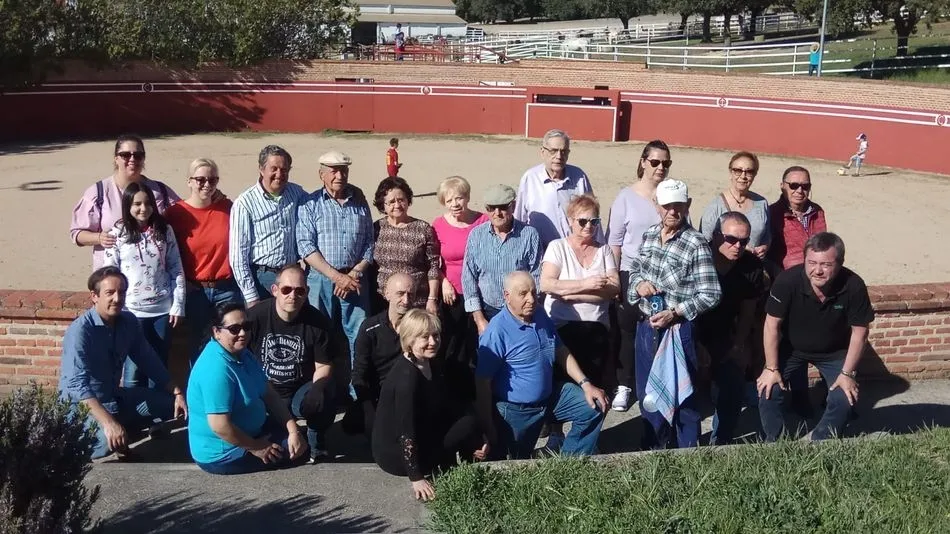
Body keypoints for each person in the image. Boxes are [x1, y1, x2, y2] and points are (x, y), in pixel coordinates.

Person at [627, 179, 721, 449]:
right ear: (656, 205)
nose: (672, 211)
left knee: (683, 398)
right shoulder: (649, 235)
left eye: (678, 205)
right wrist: (639, 285)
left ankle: (687, 454)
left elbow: (711, 293)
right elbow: (635, 272)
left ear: (687, 205)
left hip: (678, 330)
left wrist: (676, 312)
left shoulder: (696, 243)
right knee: (649, 396)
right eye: (667, 205)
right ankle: (653, 451)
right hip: (647, 327)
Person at [475, 272, 609, 460]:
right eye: (523, 294)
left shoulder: (539, 313)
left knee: (594, 406)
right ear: (507, 296)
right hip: (516, 411)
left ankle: (570, 464)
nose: (531, 299)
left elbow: (560, 350)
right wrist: (487, 426)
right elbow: (482, 382)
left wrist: (586, 384)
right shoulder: (497, 331)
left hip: (550, 398)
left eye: (533, 292)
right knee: (514, 462)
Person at [59, 267, 187, 460]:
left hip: (114, 398)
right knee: (106, 442)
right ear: (94, 296)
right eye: (110, 293)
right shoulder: (81, 331)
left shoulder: (129, 322)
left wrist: (176, 391)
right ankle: (72, 441)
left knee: (173, 405)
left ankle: (124, 430)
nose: (117, 298)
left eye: (122, 292)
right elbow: (76, 385)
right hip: (82, 408)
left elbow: (148, 360)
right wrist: (109, 423)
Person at [757, 232, 873, 441]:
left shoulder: (854, 285)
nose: (817, 270)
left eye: (826, 265)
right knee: (768, 390)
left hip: (834, 352)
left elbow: (860, 332)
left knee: (844, 397)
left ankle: (822, 441)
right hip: (791, 349)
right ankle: (775, 442)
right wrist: (771, 368)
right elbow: (771, 325)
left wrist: (847, 374)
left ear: (840, 263)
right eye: (811, 263)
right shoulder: (787, 281)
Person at [372, 309, 489, 502]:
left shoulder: (430, 363)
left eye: (435, 335)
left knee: (470, 421)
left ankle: (469, 456)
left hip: (422, 429)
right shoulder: (406, 379)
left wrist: (479, 436)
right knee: (467, 425)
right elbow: (405, 432)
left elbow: (448, 403)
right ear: (409, 340)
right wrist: (416, 477)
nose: (433, 342)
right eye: (425, 337)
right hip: (396, 454)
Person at [187, 302, 309, 475]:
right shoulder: (215, 369)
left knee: (300, 439)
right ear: (217, 332)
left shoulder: (243, 354)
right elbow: (220, 426)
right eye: (234, 329)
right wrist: (257, 447)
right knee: (296, 452)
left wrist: (292, 429)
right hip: (224, 452)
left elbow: (270, 395)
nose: (243, 333)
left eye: (246, 326)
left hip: (252, 431)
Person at [246, 265, 340, 463]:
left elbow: (323, 365)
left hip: (299, 391)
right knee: (280, 453)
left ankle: (317, 445)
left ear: (307, 292)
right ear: (274, 290)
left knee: (326, 392)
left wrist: (317, 389)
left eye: (299, 291)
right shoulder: (255, 318)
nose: (293, 296)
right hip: (264, 392)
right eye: (286, 290)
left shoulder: (318, 322)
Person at [297, 151, 374, 388]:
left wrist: (354, 273)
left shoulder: (359, 201)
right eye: (333, 171)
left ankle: (357, 390)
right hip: (321, 279)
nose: (339, 176)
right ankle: (321, 389)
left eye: (343, 171)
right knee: (319, 334)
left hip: (355, 278)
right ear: (321, 174)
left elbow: (369, 242)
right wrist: (336, 277)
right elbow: (305, 246)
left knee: (359, 335)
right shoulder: (310, 203)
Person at [695, 212, 769, 445]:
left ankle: (721, 441)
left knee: (733, 384)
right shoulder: (697, 257)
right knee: (689, 392)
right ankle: (685, 443)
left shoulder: (751, 266)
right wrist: (696, 344)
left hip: (725, 334)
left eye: (744, 241)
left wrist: (738, 346)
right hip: (691, 331)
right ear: (716, 236)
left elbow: (748, 311)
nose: (738, 246)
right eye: (731, 239)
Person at [102, 182, 185, 389]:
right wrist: (115, 307)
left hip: (162, 311)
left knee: (159, 368)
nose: (143, 208)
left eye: (147, 203)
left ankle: (157, 408)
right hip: (131, 312)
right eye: (137, 204)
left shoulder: (164, 230)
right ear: (128, 205)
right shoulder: (116, 234)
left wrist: (178, 305)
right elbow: (110, 273)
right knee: (133, 370)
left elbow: (176, 268)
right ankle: (133, 409)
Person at [606, 139, 668, 412]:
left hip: (663, 275)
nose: (660, 167)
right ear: (643, 162)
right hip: (631, 271)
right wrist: (615, 278)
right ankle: (624, 384)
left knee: (658, 327)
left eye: (665, 163)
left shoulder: (670, 195)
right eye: (655, 162)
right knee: (627, 329)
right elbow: (615, 242)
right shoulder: (625, 197)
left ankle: (655, 382)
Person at [165, 158, 242, 366]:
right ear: (189, 181)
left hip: (226, 288)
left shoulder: (228, 209)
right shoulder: (175, 213)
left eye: (212, 180)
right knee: (197, 346)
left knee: (230, 344)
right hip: (195, 290)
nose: (207, 185)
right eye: (200, 180)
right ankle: (200, 386)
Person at [540, 194, 619, 385]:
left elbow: (614, 288)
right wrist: (587, 284)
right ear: (570, 221)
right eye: (582, 221)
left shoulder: (604, 251)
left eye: (594, 221)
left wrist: (570, 294)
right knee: (564, 382)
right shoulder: (557, 247)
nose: (588, 226)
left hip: (596, 325)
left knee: (596, 381)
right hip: (562, 324)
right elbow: (547, 284)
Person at [70, 134, 180, 269]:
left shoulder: (160, 191)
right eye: (125, 155)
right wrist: (99, 238)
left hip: (154, 275)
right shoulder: (99, 192)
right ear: (116, 158)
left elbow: (186, 216)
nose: (132, 159)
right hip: (112, 274)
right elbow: (77, 233)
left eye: (138, 155)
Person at [431, 176, 489, 402]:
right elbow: (433, 260)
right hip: (452, 294)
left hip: (480, 293)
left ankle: (479, 392)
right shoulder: (438, 225)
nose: (455, 204)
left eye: (459, 198)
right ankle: (452, 393)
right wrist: (444, 281)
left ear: (468, 197)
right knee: (452, 344)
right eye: (449, 200)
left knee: (477, 343)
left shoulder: (483, 221)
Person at [230, 145, 307, 307]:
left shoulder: (297, 193)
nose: (279, 174)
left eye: (284, 170)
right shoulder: (245, 202)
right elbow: (238, 256)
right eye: (274, 169)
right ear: (261, 169)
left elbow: (318, 205)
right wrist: (251, 296)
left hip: (291, 275)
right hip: (261, 278)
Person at [462, 184, 542, 335]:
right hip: (488, 310)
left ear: (513, 206)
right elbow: (468, 278)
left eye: (503, 207)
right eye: (491, 208)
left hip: (521, 312)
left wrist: (529, 312)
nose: (497, 213)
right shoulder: (476, 235)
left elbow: (536, 275)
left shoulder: (529, 235)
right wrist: (479, 319)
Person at [352, 273, 417, 436]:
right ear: (386, 294)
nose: (406, 300)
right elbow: (359, 374)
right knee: (356, 424)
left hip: (411, 392)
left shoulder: (420, 327)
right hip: (379, 395)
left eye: (410, 294)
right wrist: (368, 410)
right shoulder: (370, 328)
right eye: (400, 294)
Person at [514, 129, 598, 249]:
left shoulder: (579, 177)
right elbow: (519, 218)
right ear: (542, 152)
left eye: (563, 151)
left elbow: (592, 216)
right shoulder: (530, 179)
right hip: (540, 252)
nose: (559, 156)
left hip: (574, 251)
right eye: (553, 151)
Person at [371, 176, 441, 314]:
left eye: (401, 200)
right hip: (384, 301)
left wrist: (432, 299)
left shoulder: (423, 228)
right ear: (383, 205)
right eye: (391, 202)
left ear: (408, 201)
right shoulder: (376, 228)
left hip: (416, 301)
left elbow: (433, 266)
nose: (397, 205)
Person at [699, 151, 771, 261]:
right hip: (724, 267)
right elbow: (705, 243)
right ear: (730, 172)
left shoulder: (761, 203)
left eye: (749, 172)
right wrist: (741, 248)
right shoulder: (715, 207)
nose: (743, 176)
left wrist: (765, 247)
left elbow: (767, 234)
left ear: (755, 174)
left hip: (753, 265)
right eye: (738, 170)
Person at [767, 166, 827, 272]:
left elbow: (823, 245)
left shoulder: (817, 211)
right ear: (782, 186)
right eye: (793, 186)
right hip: (785, 274)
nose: (799, 191)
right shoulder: (772, 213)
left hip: (817, 271)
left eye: (805, 186)